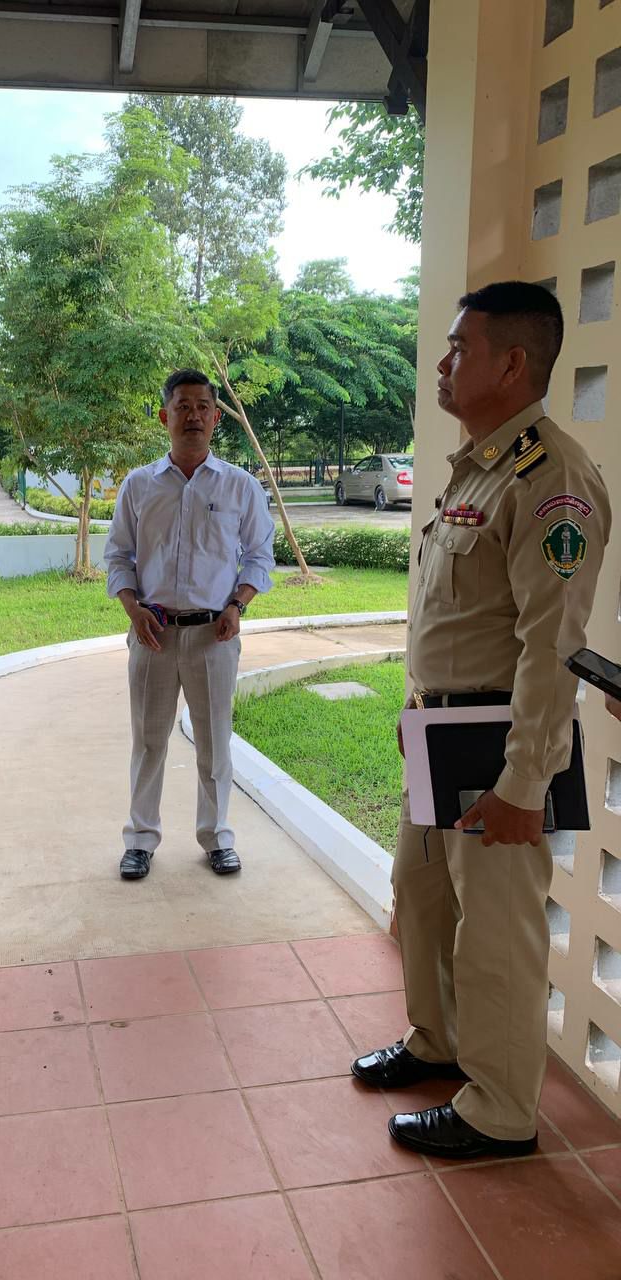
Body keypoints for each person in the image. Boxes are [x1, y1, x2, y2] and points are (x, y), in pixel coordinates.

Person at [352, 282, 611, 1159]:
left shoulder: (552, 479)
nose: (442, 361)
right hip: (442, 734)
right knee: (423, 899)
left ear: (511, 363)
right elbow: (457, 616)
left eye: (460, 348)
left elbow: (551, 647)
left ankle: (500, 1110)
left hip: (495, 748)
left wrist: (522, 785)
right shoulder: (481, 466)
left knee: (496, 931)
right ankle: (438, 1042)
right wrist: (417, 702)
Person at [105, 368, 275, 880]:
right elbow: (118, 556)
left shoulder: (240, 486)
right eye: (183, 406)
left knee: (214, 743)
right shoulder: (139, 485)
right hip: (152, 634)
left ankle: (217, 836)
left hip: (213, 636)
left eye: (204, 407)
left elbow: (260, 556)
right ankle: (140, 839)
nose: (194, 415)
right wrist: (132, 609)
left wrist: (238, 605)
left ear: (216, 418)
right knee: (148, 742)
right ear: (165, 416)